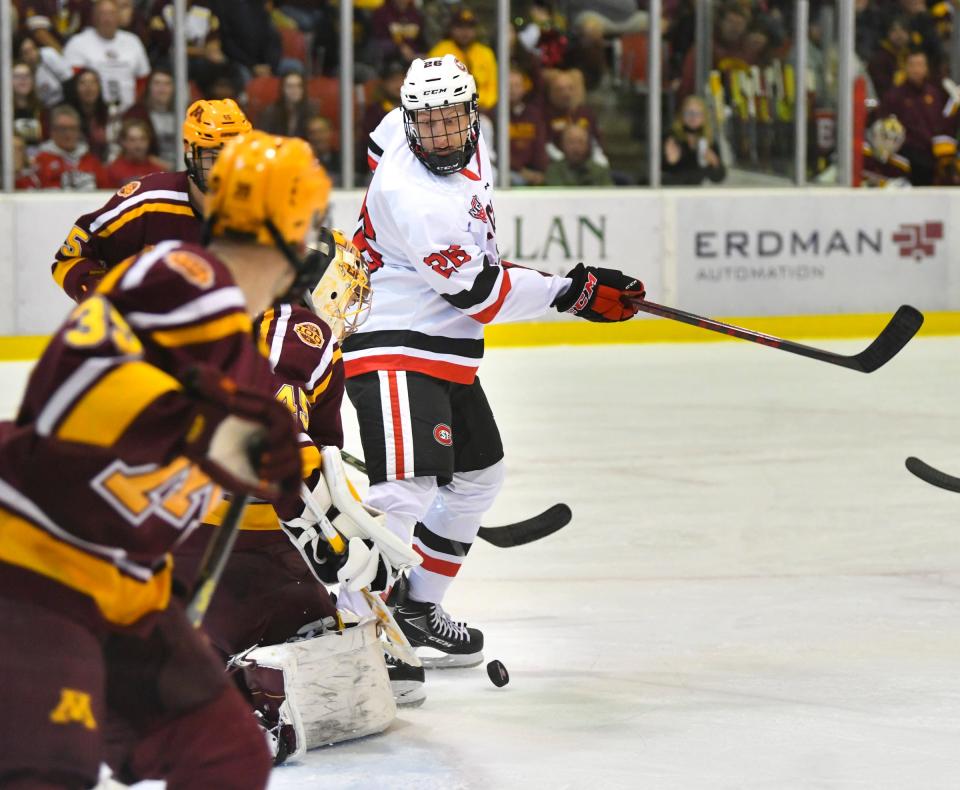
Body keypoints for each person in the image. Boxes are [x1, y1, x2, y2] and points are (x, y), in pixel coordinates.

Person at [0, 130, 328, 790]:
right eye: (311, 225)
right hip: (31, 571)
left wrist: (328, 513)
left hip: (125, 599)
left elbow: (270, 455)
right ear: (286, 229)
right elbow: (119, 385)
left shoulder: (233, 342)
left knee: (228, 757)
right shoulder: (178, 278)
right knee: (43, 770)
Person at [344, 54, 645, 668]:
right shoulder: (418, 200)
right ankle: (351, 639)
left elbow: (377, 145)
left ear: (473, 114)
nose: (442, 135)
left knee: (479, 476)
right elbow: (482, 294)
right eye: (427, 124)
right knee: (403, 492)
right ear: (411, 122)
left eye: (453, 119)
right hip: (393, 339)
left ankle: (416, 610)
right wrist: (572, 292)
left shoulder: (425, 142)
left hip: (441, 345)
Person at [174, 230, 425, 762]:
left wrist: (328, 510)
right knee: (319, 652)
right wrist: (326, 538)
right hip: (222, 533)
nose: (352, 304)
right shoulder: (296, 328)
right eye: (347, 286)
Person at [51, 98, 250, 302]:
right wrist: (105, 301)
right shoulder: (147, 201)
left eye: (234, 155)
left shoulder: (262, 212)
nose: (225, 169)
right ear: (189, 150)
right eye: (214, 157)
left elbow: (278, 304)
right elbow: (71, 257)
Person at [879, 49, 957, 186]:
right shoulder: (894, 96)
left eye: (920, 65)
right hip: (907, 156)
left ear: (926, 68)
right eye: (912, 65)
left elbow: (943, 124)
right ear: (905, 68)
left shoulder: (935, 94)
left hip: (932, 156)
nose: (916, 69)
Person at [62, 0, 151, 111]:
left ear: (118, 16)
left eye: (112, 13)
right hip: (93, 114)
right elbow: (71, 82)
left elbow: (142, 79)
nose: (107, 19)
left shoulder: (133, 42)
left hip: (127, 113)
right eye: (103, 14)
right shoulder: (77, 43)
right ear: (94, 17)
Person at [427, 7, 498, 112]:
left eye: (469, 27)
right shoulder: (439, 52)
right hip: (448, 110)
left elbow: (493, 88)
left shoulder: (486, 53)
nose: (465, 32)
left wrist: (477, 103)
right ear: (451, 29)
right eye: (460, 27)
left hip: (482, 110)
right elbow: (433, 87)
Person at [33, 103, 107, 190]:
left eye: (72, 128)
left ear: (79, 131)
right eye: (62, 128)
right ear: (52, 131)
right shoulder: (41, 161)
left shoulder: (91, 161)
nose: (68, 134)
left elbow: (105, 192)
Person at [661, 95, 726, 186]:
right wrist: (670, 163)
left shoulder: (709, 141)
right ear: (681, 116)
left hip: (695, 195)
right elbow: (658, 171)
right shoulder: (671, 138)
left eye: (698, 113)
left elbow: (718, 178)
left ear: (704, 118)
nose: (693, 117)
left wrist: (715, 163)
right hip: (672, 193)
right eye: (688, 113)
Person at [123, 68, 179, 169]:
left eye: (167, 84)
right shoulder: (136, 113)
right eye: (157, 83)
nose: (162, 89)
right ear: (149, 87)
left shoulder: (186, 113)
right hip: (149, 170)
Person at [105, 117, 170, 187]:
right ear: (123, 142)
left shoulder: (159, 171)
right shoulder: (113, 171)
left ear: (149, 141)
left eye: (143, 139)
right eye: (132, 140)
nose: (138, 145)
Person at [544, 123, 614, 186]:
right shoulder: (554, 171)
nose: (576, 148)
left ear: (587, 145)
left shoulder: (600, 171)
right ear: (562, 145)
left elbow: (609, 196)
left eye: (580, 142)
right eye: (571, 142)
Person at [258, 71, 318, 138]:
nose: (295, 90)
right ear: (282, 89)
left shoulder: (311, 110)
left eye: (299, 86)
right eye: (290, 86)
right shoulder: (271, 112)